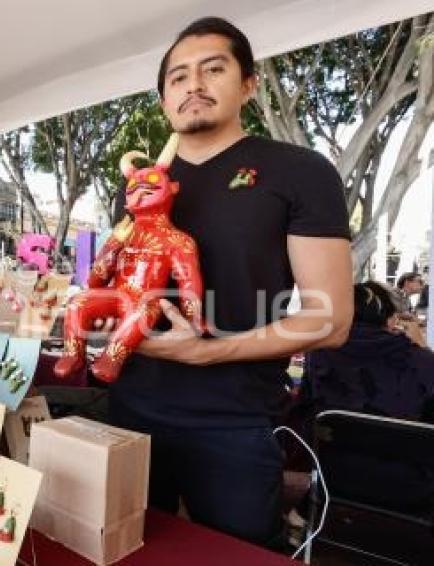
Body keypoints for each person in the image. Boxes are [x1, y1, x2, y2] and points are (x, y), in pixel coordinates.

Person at [108, 17, 353, 547]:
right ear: (163, 100)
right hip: (128, 411)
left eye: (213, 69)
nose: (193, 84)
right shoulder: (142, 186)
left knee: (236, 554)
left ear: (248, 85)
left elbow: (331, 320)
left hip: (233, 423)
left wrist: (206, 352)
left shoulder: (300, 172)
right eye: (177, 77)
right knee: (123, 548)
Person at [304, 281, 434, 422]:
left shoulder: (320, 350)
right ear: (391, 319)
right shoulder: (415, 356)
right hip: (401, 435)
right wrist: (422, 347)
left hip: (328, 434)